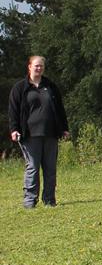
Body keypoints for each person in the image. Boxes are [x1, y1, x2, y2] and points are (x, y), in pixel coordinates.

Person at [8, 55, 70, 208]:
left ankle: (49, 200)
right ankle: (29, 201)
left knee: (50, 169)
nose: (39, 68)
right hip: (29, 135)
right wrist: (14, 129)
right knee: (33, 168)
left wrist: (64, 128)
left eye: (41, 66)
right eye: (36, 65)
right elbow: (13, 110)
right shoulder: (20, 88)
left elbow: (59, 109)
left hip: (50, 133)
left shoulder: (50, 86)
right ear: (29, 67)